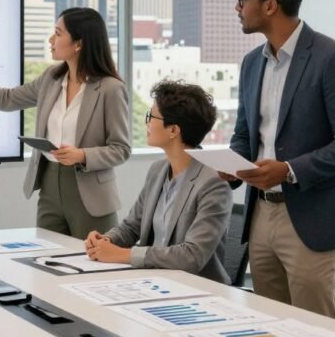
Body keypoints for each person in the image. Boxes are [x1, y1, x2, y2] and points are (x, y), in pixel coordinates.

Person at [222, 0, 335, 319]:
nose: (237, 7)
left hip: (313, 217)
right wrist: (232, 164)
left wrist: (288, 170)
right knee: (272, 329)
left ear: (270, 5)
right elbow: (245, 133)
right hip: (261, 215)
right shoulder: (251, 63)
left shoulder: (332, 58)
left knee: (318, 332)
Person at [0, 7, 130, 239]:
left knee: (94, 264)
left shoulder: (110, 89)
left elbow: (121, 149)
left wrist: (82, 155)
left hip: (90, 193)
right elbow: (7, 99)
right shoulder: (51, 79)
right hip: (49, 186)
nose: (51, 39)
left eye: (58, 33)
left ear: (79, 43)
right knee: (47, 261)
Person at [84, 80, 233, 283]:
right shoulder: (158, 170)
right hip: (153, 280)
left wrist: (122, 255)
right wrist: (106, 241)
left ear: (173, 130)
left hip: (196, 288)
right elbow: (131, 227)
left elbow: (192, 256)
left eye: (151, 116)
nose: (147, 123)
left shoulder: (213, 183)